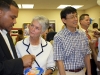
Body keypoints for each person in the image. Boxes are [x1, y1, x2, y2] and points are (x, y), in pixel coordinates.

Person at [53, 7, 91, 75]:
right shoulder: (59, 37)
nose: (76, 19)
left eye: (76, 16)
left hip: (81, 71)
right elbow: (59, 61)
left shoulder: (82, 34)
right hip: (66, 72)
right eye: (72, 17)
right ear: (64, 20)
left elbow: (87, 55)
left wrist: (89, 73)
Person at [0, 0, 35, 75]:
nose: (15, 22)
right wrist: (21, 62)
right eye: (12, 18)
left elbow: (9, 60)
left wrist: (21, 67)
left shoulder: (6, 34)